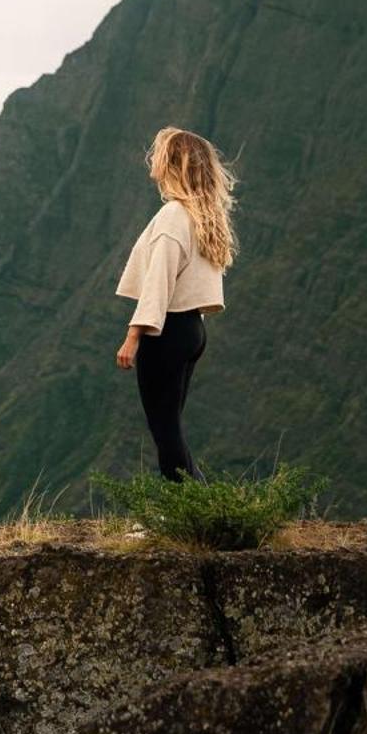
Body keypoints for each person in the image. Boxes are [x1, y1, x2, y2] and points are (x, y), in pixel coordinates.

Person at [113, 125, 236, 481]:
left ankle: (199, 514)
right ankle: (192, 510)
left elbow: (159, 282)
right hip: (192, 329)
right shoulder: (204, 216)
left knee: (165, 431)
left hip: (166, 331)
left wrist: (133, 336)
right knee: (172, 428)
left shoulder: (173, 216)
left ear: (171, 163)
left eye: (160, 152)